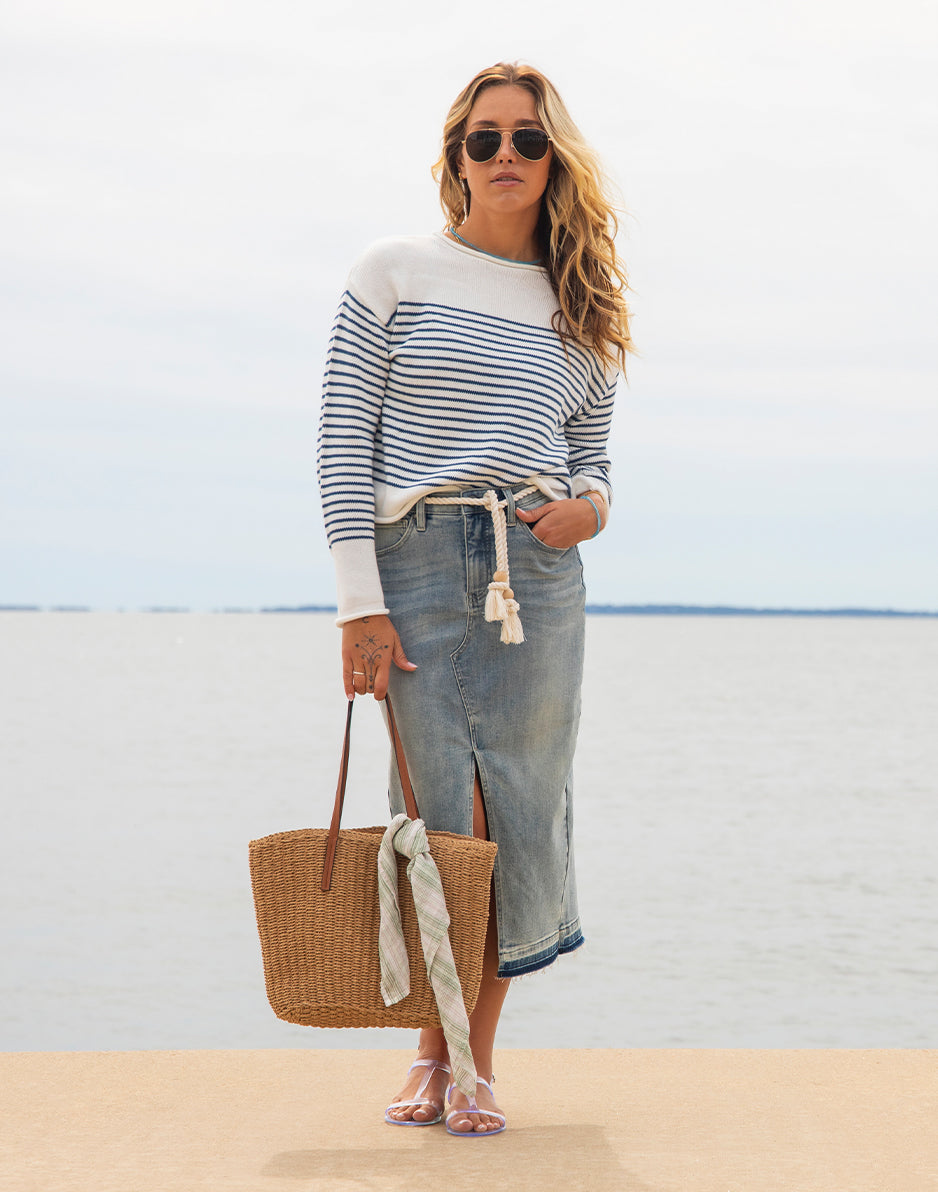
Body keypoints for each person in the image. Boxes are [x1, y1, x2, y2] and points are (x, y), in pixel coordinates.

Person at [317, 61, 632, 1136]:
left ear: (555, 160)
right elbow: (340, 440)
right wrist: (360, 601)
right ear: (453, 155)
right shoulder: (392, 268)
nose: (504, 156)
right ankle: (431, 1044)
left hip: (534, 570)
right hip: (411, 561)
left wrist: (588, 508)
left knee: (512, 815)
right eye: (483, 138)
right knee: (431, 815)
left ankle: (466, 1058)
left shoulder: (578, 298)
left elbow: (589, 453)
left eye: (527, 140)